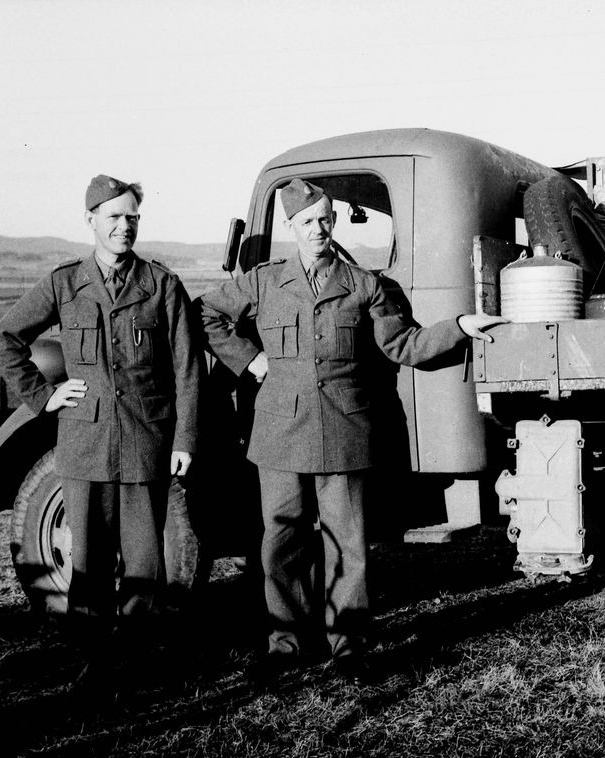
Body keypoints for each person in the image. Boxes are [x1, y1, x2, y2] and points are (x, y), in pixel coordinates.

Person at [199, 178, 506, 683]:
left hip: (344, 432)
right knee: (280, 542)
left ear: (333, 220)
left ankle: (350, 648)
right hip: (278, 435)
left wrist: (459, 327)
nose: (317, 229)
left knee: (349, 543)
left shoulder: (365, 285)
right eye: (306, 222)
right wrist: (250, 361)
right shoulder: (261, 282)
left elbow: (403, 345)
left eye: (324, 219)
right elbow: (207, 313)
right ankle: (285, 645)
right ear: (291, 227)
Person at [0, 175, 202, 691]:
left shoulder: (161, 285)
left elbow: (188, 369)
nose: (124, 227)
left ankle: (140, 660)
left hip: (146, 443)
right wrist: (43, 397)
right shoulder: (65, 284)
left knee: (146, 562)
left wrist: (184, 440)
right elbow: (4, 337)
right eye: (113, 217)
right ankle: (95, 663)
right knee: (88, 563)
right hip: (84, 445)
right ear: (91, 221)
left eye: (132, 217)